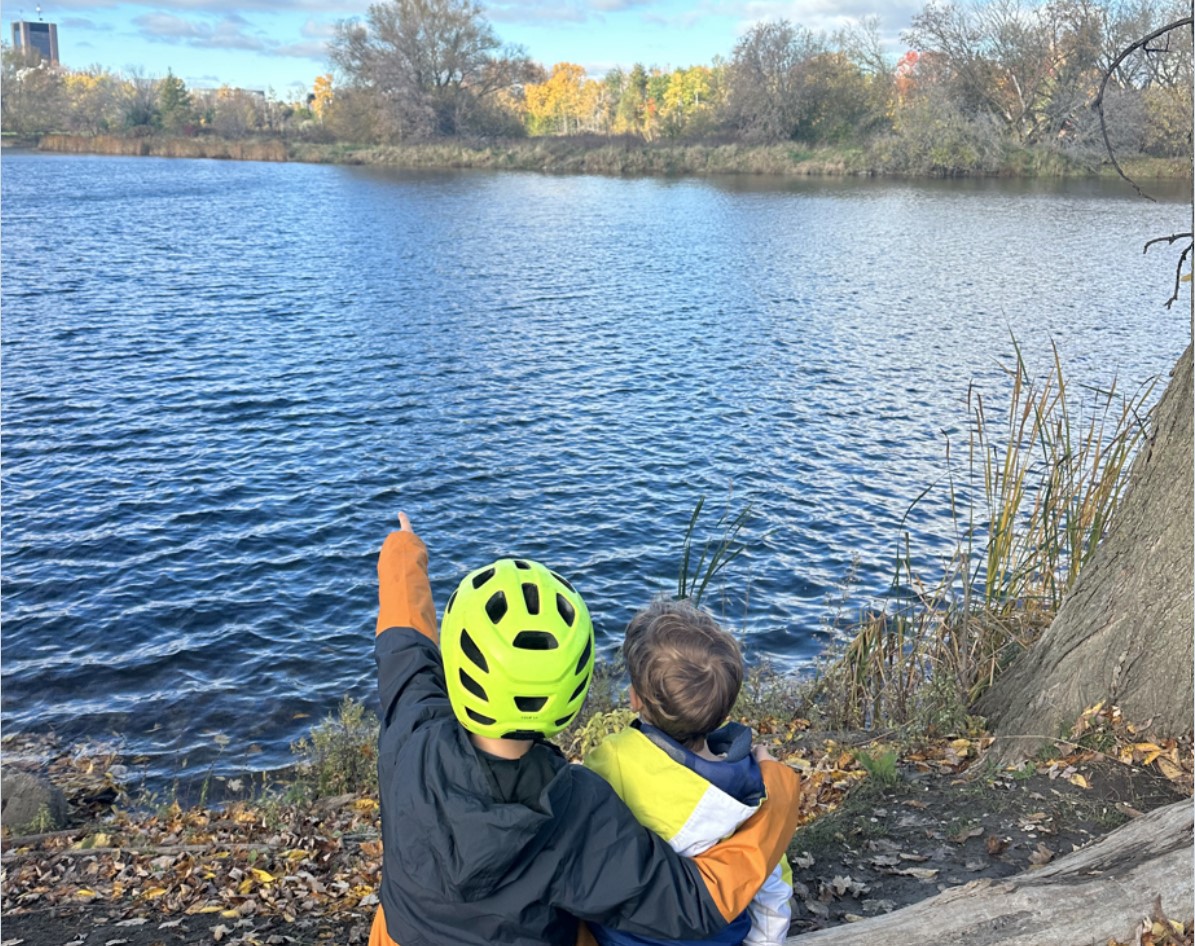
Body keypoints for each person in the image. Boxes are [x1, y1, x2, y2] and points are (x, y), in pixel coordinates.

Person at [369, 513, 802, 946]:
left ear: (460, 666)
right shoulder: (573, 807)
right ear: (569, 690)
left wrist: (402, 552)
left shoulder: (413, 724)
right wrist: (777, 799)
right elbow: (692, 904)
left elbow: (404, 642)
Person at [584, 598, 794, 946]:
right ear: (724, 708)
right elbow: (770, 882)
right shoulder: (753, 789)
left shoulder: (612, 759)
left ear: (635, 698)